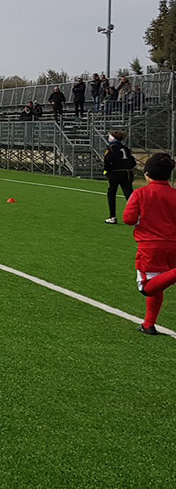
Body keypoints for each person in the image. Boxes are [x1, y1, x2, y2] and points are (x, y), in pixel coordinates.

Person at [125, 153, 176, 335]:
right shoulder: (174, 194)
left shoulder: (141, 193)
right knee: (157, 286)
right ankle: (148, 324)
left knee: (147, 288)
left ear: (146, 173)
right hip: (173, 245)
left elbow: (129, 219)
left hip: (150, 246)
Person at [103, 129, 136, 224]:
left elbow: (107, 161)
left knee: (111, 194)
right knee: (129, 195)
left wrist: (107, 171)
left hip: (115, 174)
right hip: (127, 173)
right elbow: (133, 162)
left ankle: (112, 217)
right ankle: (137, 216)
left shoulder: (111, 148)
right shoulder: (126, 148)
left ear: (113, 138)